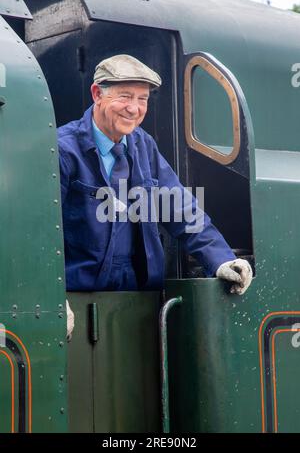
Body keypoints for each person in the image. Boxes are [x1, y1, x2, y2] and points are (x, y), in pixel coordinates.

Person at [58, 55, 253, 338]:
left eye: (143, 99)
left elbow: (181, 209)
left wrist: (220, 259)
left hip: (139, 307)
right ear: (97, 94)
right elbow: (37, 231)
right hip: (75, 304)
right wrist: (51, 295)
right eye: (125, 96)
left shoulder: (143, 146)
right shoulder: (64, 149)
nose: (134, 109)